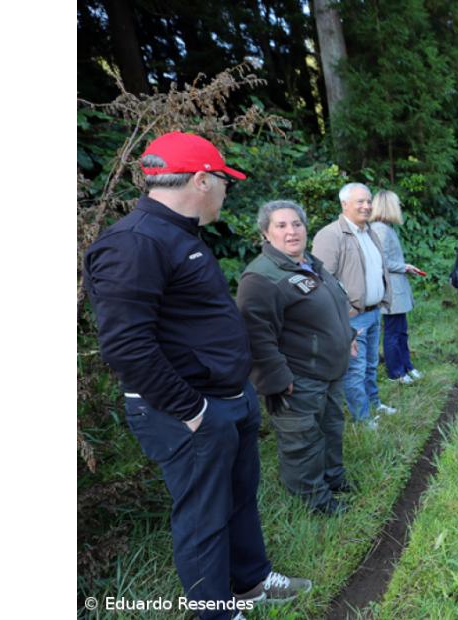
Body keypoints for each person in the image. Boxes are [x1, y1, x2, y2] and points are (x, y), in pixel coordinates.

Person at [82, 132, 310, 620]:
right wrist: (192, 411)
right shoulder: (134, 243)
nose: (227, 192)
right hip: (187, 409)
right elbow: (126, 346)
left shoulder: (180, 235)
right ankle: (216, 612)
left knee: (240, 497)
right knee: (203, 517)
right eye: (224, 182)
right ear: (203, 180)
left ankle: (250, 580)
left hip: (229, 397)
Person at [236, 200, 355, 516]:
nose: (292, 231)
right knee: (302, 442)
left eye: (297, 224)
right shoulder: (261, 277)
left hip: (328, 372)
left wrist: (348, 340)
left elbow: (331, 307)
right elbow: (255, 335)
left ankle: (334, 481)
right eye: (281, 225)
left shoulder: (310, 263)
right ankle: (313, 501)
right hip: (298, 378)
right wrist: (278, 379)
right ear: (266, 233)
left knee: (330, 429)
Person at [312, 183, 397, 427]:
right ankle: (363, 418)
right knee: (355, 370)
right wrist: (343, 313)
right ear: (344, 204)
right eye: (360, 201)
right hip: (351, 317)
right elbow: (323, 280)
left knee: (370, 365)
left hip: (373, 311)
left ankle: (374, 403)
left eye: (369, 201)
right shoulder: (330, 235)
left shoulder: (369, 232)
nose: (367, 206)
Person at [370, 190, 424, 385]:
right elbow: (382, 261)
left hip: (397, 288)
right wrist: (405, 267)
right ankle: (396, 373)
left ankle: (407, 365)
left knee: (401, 330)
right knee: (393, 333)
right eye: (397, 204)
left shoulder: (385, 227)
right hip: (391, 290)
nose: (400, 207)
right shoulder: (380, 229)